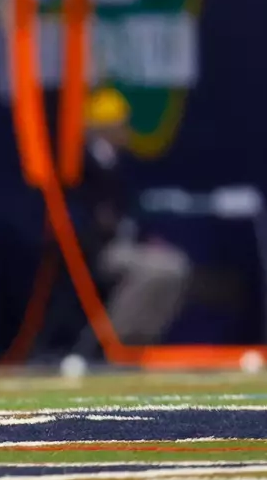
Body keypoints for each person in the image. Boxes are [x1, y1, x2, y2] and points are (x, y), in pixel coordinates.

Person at [69, 88, 191, 353]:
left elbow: (126, 213)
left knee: (175, 267)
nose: (126, 130)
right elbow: (84, 215)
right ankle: (109, 339)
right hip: (97, 250)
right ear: (105, 128)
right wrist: (101, 229)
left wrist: (144, 238)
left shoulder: (116, 162)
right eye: (121, 124)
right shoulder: (81, 164)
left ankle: (142, 338)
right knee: (156, 270)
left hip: (123, 243)